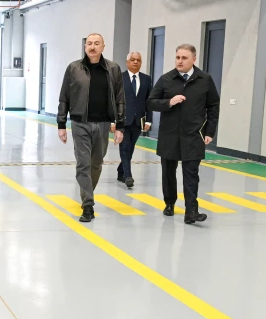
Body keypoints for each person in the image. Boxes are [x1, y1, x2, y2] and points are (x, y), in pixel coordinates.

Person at [146, 44, 220, 225]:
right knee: (168, 173)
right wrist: (169, 102)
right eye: (177, 57)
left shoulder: (205, 80)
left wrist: (209, 131)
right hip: (169, 134)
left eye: (184, 58)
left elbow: (213, 106)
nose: (179, 61)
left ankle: (191, 211)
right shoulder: (166, 79)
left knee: (191, 174)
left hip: (193, 135)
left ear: (194, 59)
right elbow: (151, 102)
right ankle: (170, 203)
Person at [57, 33, 125, 223]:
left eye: (96, 43)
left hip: (103, 124)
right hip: (80, 122)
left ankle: (87, 194)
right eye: (89, 43)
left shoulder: (113, 69)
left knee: (96, 164)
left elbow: (120, 98)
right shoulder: (74, 68)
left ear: (103, 46)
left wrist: (120, 125)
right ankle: (88, 205)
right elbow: (64, 96)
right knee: (83, 164)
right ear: (85, 46)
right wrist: (61, 124)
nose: (92, 47)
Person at [116, 51, 153, 189]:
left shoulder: (146, 79)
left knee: (130, 148)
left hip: (138, 120)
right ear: (127, 62)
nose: (135, 62)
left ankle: (121, 170)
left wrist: (148, 120)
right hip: (123, 120)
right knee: (125, 147)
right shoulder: (120, 78)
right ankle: (128, 176)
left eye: (138, 60)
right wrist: (113, 121)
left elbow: (149, 100)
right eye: (132, 59)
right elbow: (114, 100)